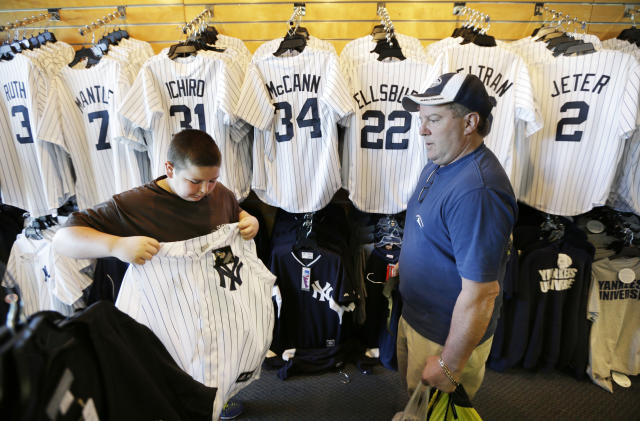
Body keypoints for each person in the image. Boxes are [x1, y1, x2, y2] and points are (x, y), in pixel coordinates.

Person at [53, 128, 257, 420]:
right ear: (169, 169)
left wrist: (247, 219)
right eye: (195, 181)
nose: (205, 190)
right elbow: (64, 239)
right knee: (169, 390)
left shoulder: (219, 194)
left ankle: (215, 400)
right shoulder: (136, 204)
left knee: (214, 375)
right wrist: (115, 244)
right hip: (165, 319)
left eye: (212, 180)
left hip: (214, 310)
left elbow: (233, 210)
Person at [397, 72, 517, 400]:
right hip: (419, 319)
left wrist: (450, 365)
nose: (422, 129)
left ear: (469, 122)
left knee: (434, 411)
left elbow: (482, 294)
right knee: (415, 405)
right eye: (421, 119)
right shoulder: (443, 161)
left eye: (433, 119)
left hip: (442, 336)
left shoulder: (478, 191)